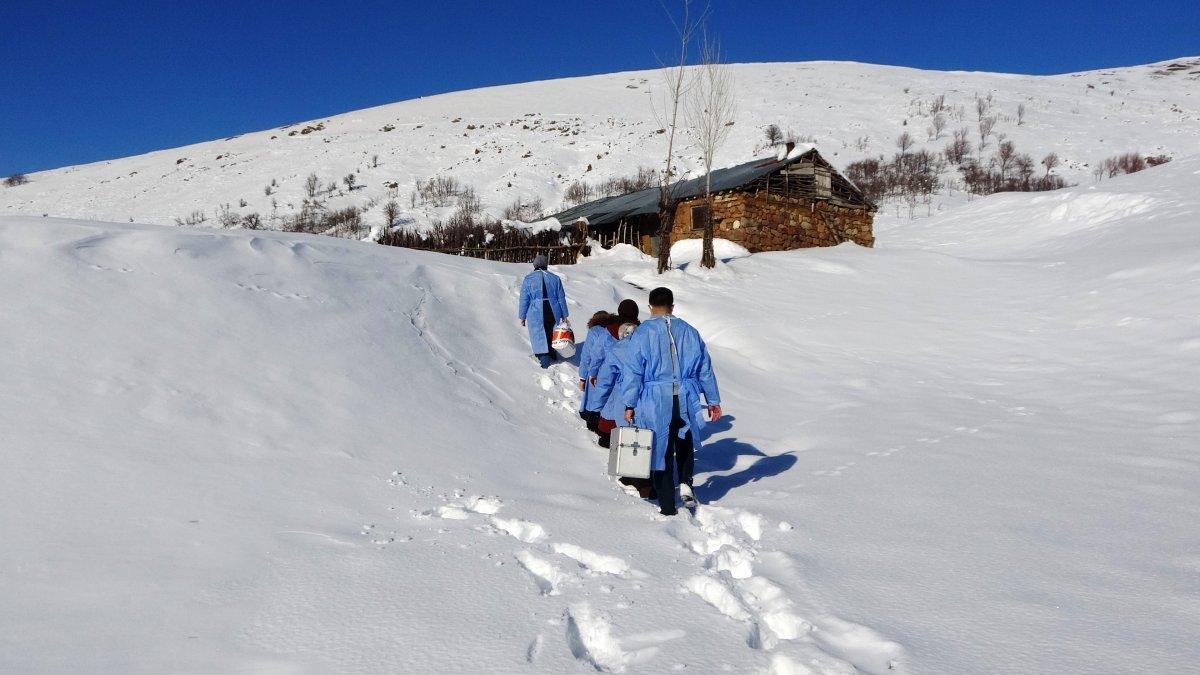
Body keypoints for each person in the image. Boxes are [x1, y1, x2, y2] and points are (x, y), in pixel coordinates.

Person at [621, 287, 721, 516]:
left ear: (650, 307)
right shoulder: (689, 331)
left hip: (656, 399)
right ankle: (685, 480)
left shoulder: (642, 333)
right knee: (684, 440)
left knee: (661, 449)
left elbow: (633, 371)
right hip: (686, 395)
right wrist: (713, 400)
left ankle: (667, 506)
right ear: (672, 306)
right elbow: (704, 368)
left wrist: (629, 403)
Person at [592, 318, 653, 497]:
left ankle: (637, 479)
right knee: (646, 436)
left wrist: (596, 406)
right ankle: (639, 476)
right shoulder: (651, 347)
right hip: (650, 396)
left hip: (624, 397)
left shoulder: (618, 349)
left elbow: (605, 380)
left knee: (628, 436)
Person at [579, 300, 639, 433]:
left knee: (607, 403)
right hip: (632, 379)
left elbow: (597, 354)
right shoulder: (641, 331)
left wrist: (592, 373)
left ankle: (605, 434)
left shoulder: (609, 330)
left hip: (607, 373)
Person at [517, 254, 569, 368]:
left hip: (536, 311)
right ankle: (553, 355)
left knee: (538, 334)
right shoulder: (555, 278)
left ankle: (544, 361)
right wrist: (564, 314)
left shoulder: (528, 279)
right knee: (552, 331)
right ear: (546, 264)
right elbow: (561, 298)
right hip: (553, 310)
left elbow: (524, 299)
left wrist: (522, 316)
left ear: (534, 265)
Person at [576, 311, 614, 431]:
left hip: (596, 371)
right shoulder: (613, 330)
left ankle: (593, 424)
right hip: (612, 371)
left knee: (593, 401)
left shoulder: (594, 331)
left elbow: (587, 356)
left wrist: (582, 377)